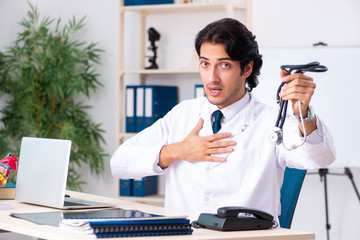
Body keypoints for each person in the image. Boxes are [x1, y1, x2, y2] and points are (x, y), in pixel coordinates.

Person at [110, 18, 336, 221]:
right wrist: (177, 151)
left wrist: (304, 114)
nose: (212, 78)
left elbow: (319, 158)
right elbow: (119, 163)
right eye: (205, 64)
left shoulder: (272, 120)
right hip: (185, 236)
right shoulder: (183, 114)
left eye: (224, 65)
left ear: (247, 68)